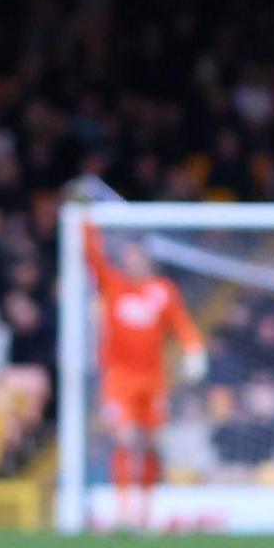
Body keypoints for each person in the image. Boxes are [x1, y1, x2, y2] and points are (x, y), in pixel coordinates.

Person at [83, 217, 205, 529]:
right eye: (127, 256)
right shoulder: (113, 285)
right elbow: (91, 255)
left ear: (147, 259)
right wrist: (85, 220)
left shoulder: (163, 291)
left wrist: (194, 349)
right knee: (124, 439)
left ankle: (145, 514)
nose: (130, 262)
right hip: (119, 378)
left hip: (153, 380)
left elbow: (182, 324)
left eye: (136, 256)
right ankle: (124, 511)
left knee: (150, 444)